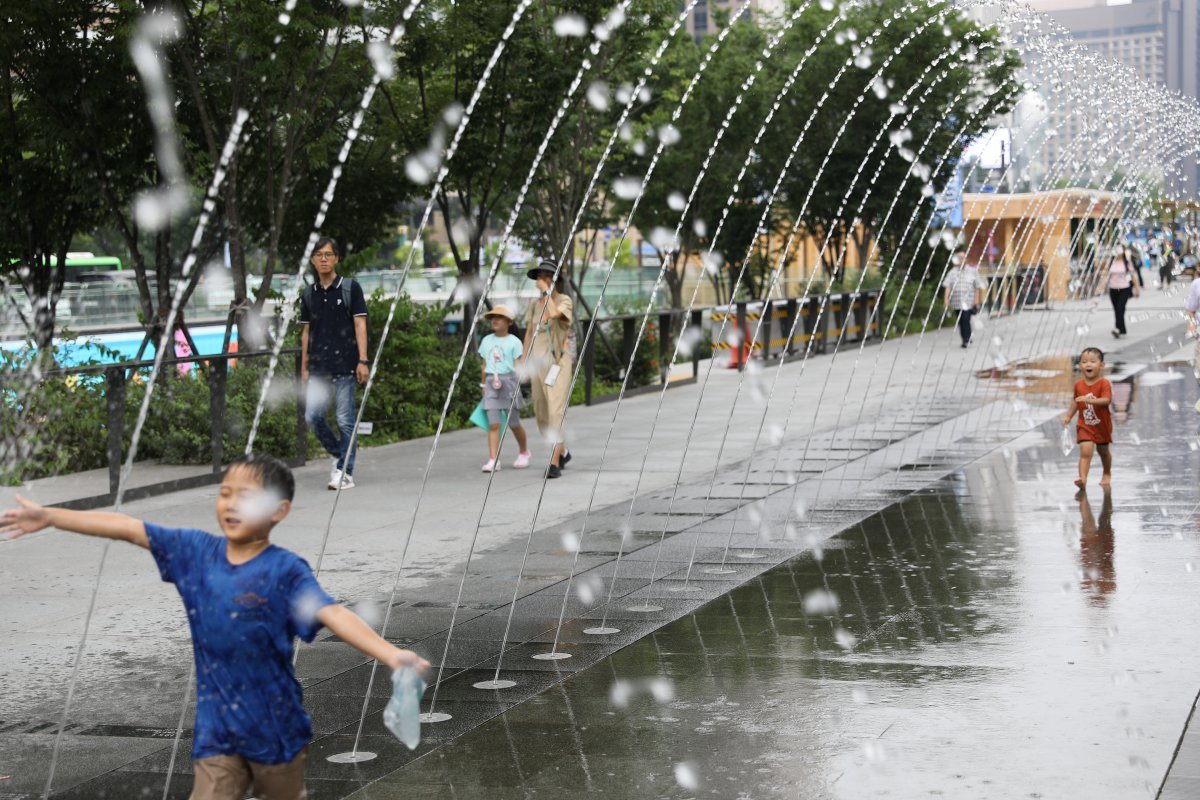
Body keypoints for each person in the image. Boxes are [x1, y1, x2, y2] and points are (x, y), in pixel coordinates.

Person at [0, 453, 430, 800]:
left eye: (247, 496)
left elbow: (332, 613)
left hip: (276, 728)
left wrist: (390, 653)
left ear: (279, 510)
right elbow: (128, 528)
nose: (231, 504)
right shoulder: (195, 553)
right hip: (217, 731)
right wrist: (53, 516)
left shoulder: (285, 570)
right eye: (225, 493)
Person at [300, 237, 369, 490]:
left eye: (328, 254)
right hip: (318, 367)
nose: (324, 259)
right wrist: (304, 367)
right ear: (312, 260)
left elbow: (360, 324)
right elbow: (306, 332)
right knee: (312, 416)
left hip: (346, 365)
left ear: (337, 258)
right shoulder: (309, 294)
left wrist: (363, 360)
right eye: (319, 255)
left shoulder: (350, 289)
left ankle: (345, 471)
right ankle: (339, 454)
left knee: (344, 420)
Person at [524, 260, 575, 479]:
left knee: (555, 409)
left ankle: (554, 463)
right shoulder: (534, 305)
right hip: (538, 363)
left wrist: (547, 292)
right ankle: (562, 450)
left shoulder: (564, 301)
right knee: (541, 411)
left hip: (558, 363)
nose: (543, 279)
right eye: (541, 275)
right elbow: (529, 332)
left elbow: (554, 315)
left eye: (548, 275)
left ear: (556, 280)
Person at [478, 305, 531, 472]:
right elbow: (484, 365)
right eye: (493, 317)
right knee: (493, 424)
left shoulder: (514, 342)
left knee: (513, 423)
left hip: (508, 383)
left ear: (509, 322)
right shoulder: (486, 340)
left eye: (499, 317)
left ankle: (524, 452)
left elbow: (518, 363)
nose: (495, 320)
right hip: (491, 383)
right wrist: (482, 385)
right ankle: (493, 459)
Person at [1061, 346, 1113, 489]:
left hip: (1102, 425)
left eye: (1092, 361)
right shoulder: (1079, 385)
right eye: (1084, 362)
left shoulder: (1104, 384)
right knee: (1086, 450)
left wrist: (1090, 400)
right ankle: (1082, 479)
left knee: (1103, 452)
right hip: (1085, 425)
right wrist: (1068, 416)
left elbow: (1106, 400)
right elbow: (1075, 402)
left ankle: (1107, 472)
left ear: (1101, 365)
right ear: (1079, 366)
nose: (1088, 364)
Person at [941, 251, 986, 348]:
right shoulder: (952, 272)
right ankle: (965, 338)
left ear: (966, 259)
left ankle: (967, 338)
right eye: (959, 258)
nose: (961, 260)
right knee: (961, 320)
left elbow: (977, 286)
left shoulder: (972, 271)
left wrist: (976, 299)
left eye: (963, 258)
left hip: (969, 301)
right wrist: (946, 299)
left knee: (966, 318)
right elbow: (947, 286)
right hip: (956, 302)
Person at [1105, 244, 1141, 338]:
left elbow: (1132, 275)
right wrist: (1102, 287)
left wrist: (1137, 289)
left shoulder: (1126, 262)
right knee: (1117, 309)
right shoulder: (1111, 262)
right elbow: (1106, 275)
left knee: (1120, 308)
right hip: (1113, 289)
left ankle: (1117, 328)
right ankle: (1122, 329)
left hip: (1124, 288)